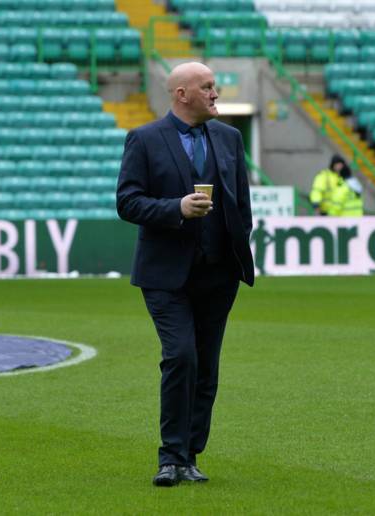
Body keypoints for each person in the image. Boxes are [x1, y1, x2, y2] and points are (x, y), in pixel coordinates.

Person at [115, 62, 255, 487]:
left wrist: (237, 251)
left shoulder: (229, 138)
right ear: (182, 94)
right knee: (181, 356)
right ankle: (170, 457)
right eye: (207, 86)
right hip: (165, 275)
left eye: (214, 86)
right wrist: (175, 208)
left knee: (206, 368)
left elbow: (241, 203)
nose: (215, 93)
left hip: (218, 274)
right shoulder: (144, 139)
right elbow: (127, 202)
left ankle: (190, 456)